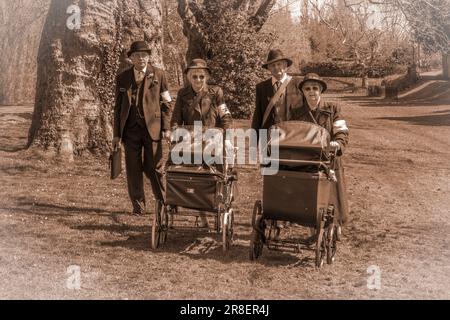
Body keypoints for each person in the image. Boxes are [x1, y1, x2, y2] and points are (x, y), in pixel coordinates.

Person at [112, 41, 173, 215]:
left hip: (153, 129)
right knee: (133, 168)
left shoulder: (159, 75)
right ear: (131, 58)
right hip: (130, 130)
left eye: (145, 55)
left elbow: (167, 103)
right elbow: (117, 108)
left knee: (154, 167)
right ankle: (138, 206)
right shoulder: (122, 78)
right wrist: (117, 134)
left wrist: (166, 128)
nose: (141, 59)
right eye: (137, 55)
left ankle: (163, 202)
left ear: (149, 57)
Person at [170, 58, 233, 227]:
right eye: (194, 76)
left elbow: (225, 116)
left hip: (213, 141)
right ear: (189, 77)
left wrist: (224, 134)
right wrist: (175, 132)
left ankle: (218, 208)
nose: (198, 80)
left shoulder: (216, 92)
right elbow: (176, 119)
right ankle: (203, 216)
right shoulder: (183, 95)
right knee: (196, 178)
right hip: (192, 143)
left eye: (201, 77)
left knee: (217, 176)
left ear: (206, 77)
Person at [295, 73, 350, 236]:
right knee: (309, 195)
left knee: (333, 195)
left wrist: (338, 143)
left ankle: (336, 222)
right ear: (303, 92)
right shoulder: (297, 112)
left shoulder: (333, 109)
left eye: (315, 88)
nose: (312, 92)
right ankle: (312, 227)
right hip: (308, 160)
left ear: (321, 91)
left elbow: (341, 131)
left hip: (330, 159)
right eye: (307, 88)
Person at [251, 49, 304, 143]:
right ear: (269, 68)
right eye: (272, 65)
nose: (276, 67)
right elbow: (258, 114)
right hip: (269, 137)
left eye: (279, 64)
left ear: (285, 65)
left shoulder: (298, 84)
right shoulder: (261, 87)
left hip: (293, 135)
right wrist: (254, 141)